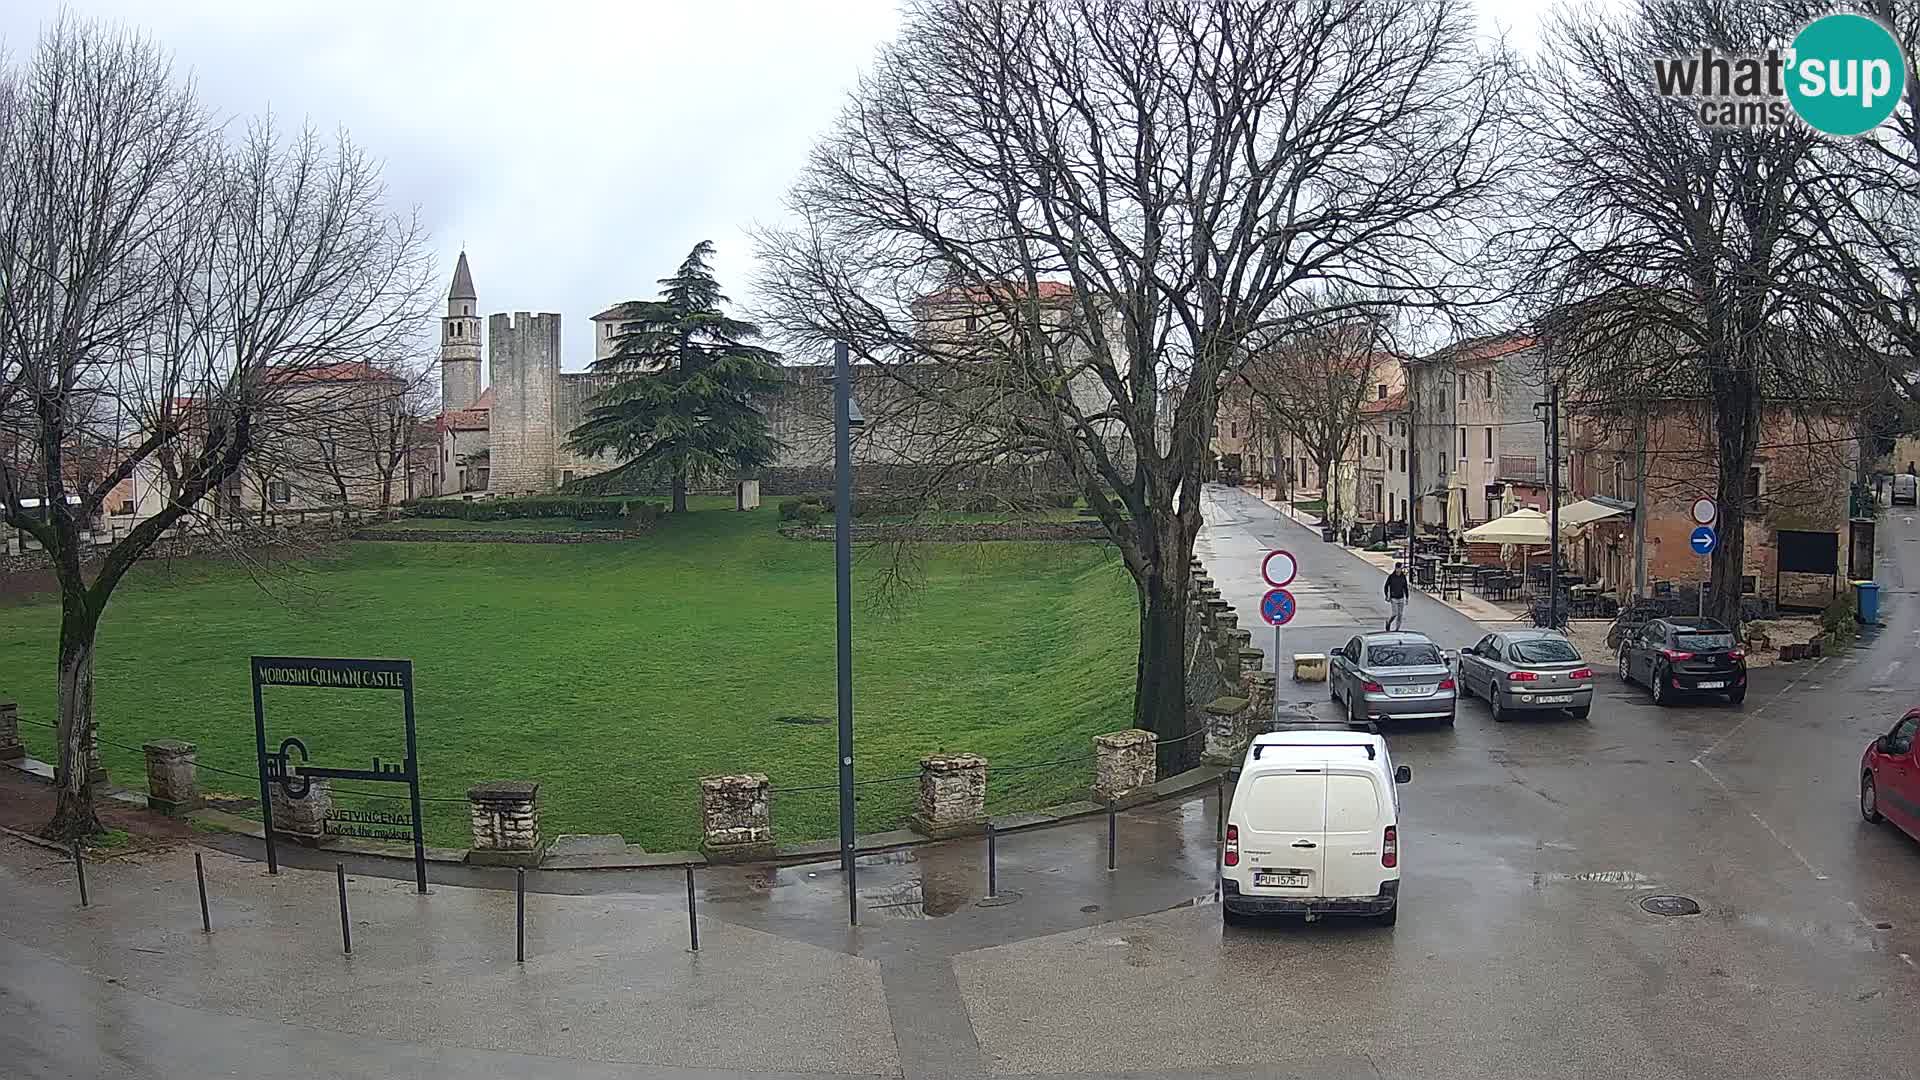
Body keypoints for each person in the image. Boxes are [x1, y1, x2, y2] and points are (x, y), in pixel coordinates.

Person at [1384, 561, 1410, 631]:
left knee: (1400, 615)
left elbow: (1405, 587)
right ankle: (1388, 622)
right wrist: (1387, 595)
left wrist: (1407, 597)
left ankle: (1397, 629)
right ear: (1396, 568)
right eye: (1398, 568)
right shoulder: (1391, 577)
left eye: (1401, 569)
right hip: (1394, 597)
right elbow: (1386, 586)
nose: (1399, 570)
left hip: (1401, 597)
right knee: (1395, 613)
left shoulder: (1403, 577)